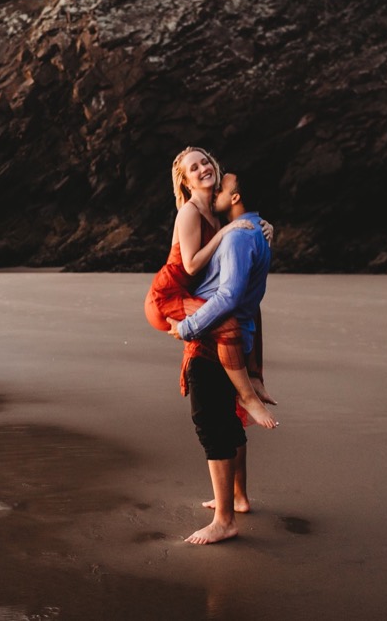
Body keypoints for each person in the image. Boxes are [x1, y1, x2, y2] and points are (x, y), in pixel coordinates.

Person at [166, 167, 273, 545]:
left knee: (211, 423)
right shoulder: (252, 230)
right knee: (229, 420)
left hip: (212, 337)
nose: (217, 186)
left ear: (236, 197)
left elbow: (227, 296)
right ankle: (238, 498)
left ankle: (224, 519)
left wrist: (188, 327)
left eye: (226, 187)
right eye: (192, 167)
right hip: (236, 336)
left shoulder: (237, 238)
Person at [144, 147, 278, 430]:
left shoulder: (219, 210)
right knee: (228, 323)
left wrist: (264, 225)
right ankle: (246, 396)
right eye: (193, 168)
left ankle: (255, 377)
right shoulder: (190, 213)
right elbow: (191, 266)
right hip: (168, 296)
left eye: (205, 162)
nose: (202, 168)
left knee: (251, 310)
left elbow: (242, 221)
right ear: (185, 182)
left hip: (192, 295)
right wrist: (225, 232)